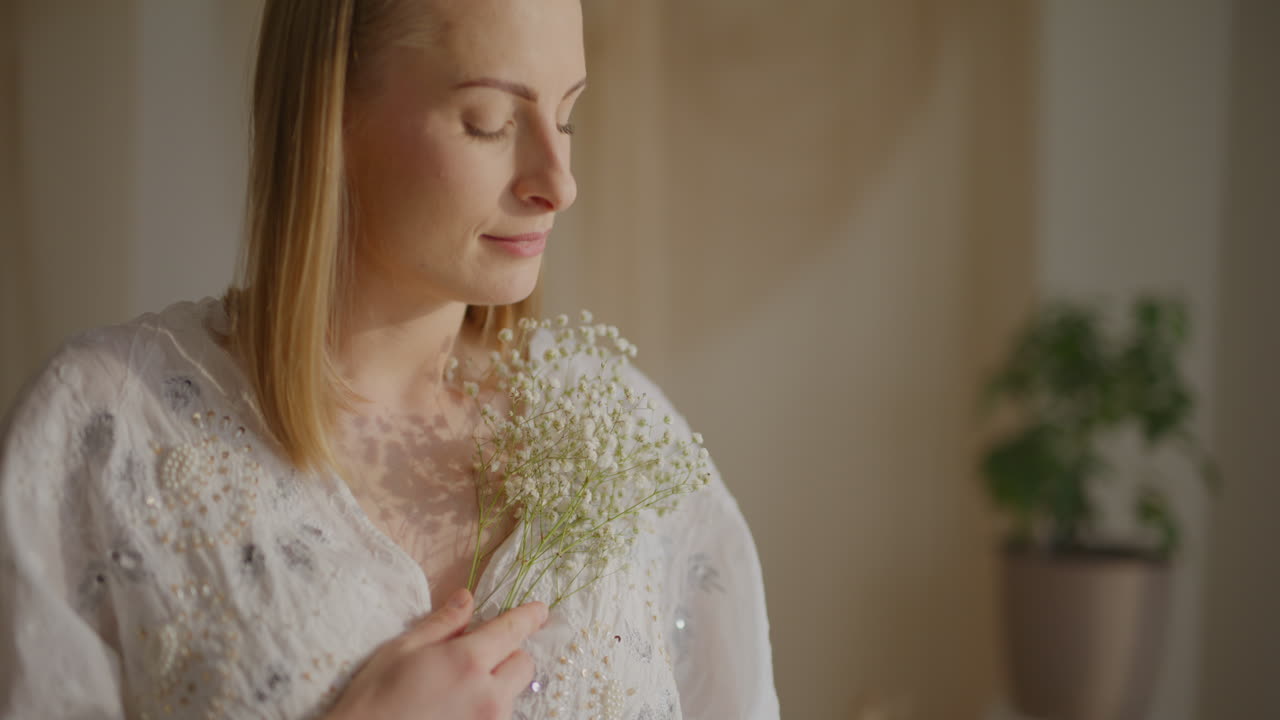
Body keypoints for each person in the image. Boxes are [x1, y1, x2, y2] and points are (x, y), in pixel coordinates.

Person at [0, 0, 779, 718]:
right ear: (331, 113)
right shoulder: (109, 434)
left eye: (568, 115)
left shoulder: (626, 438)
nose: (560, 182)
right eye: (489, 121)